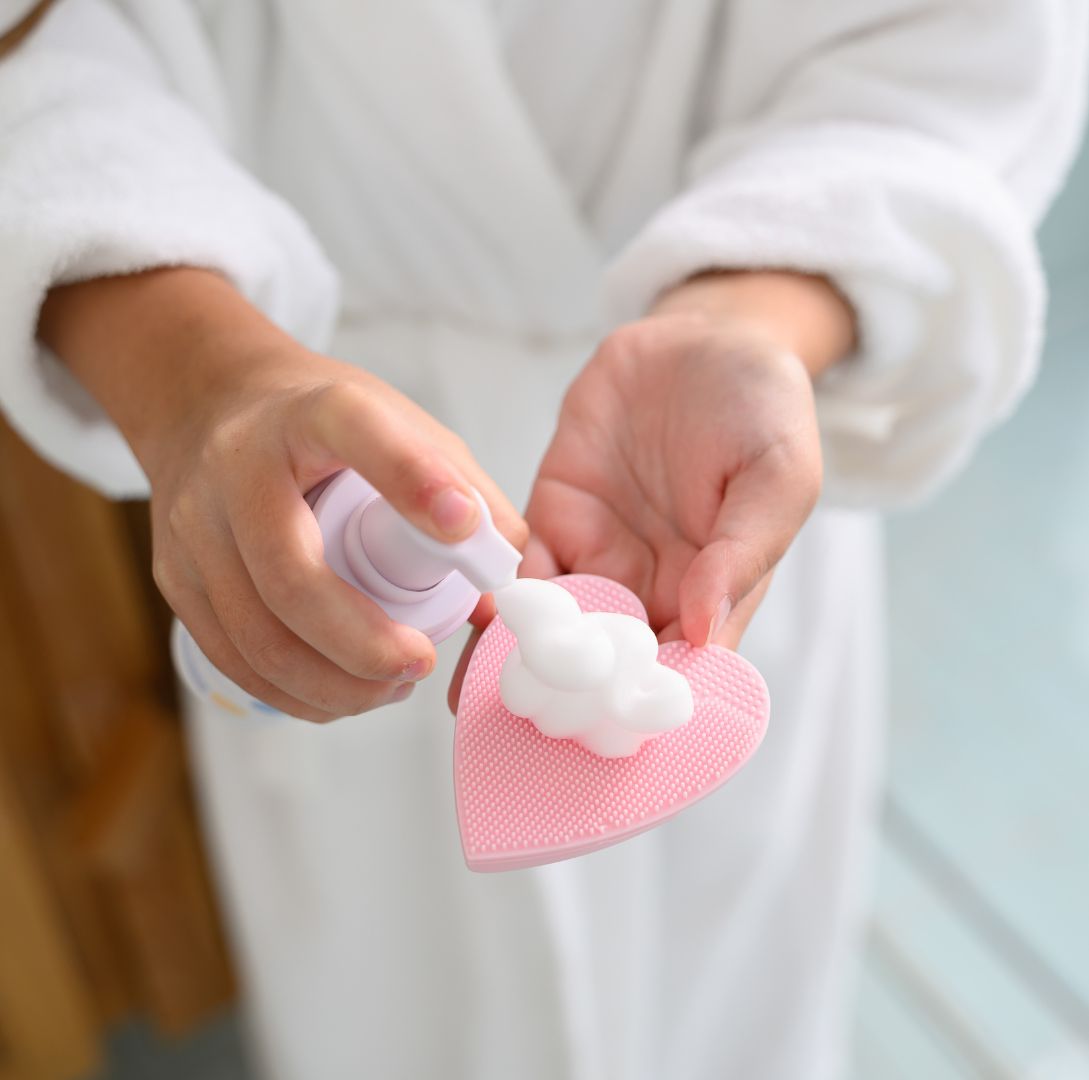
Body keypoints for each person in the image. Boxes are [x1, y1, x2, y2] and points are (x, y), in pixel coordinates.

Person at [1, 2, 1085, 1077]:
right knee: (386, 1000)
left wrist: (754, 311)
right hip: (299, 487)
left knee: (731, 1000)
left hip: (698, 519)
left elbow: (956, 46)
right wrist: (196, 378)